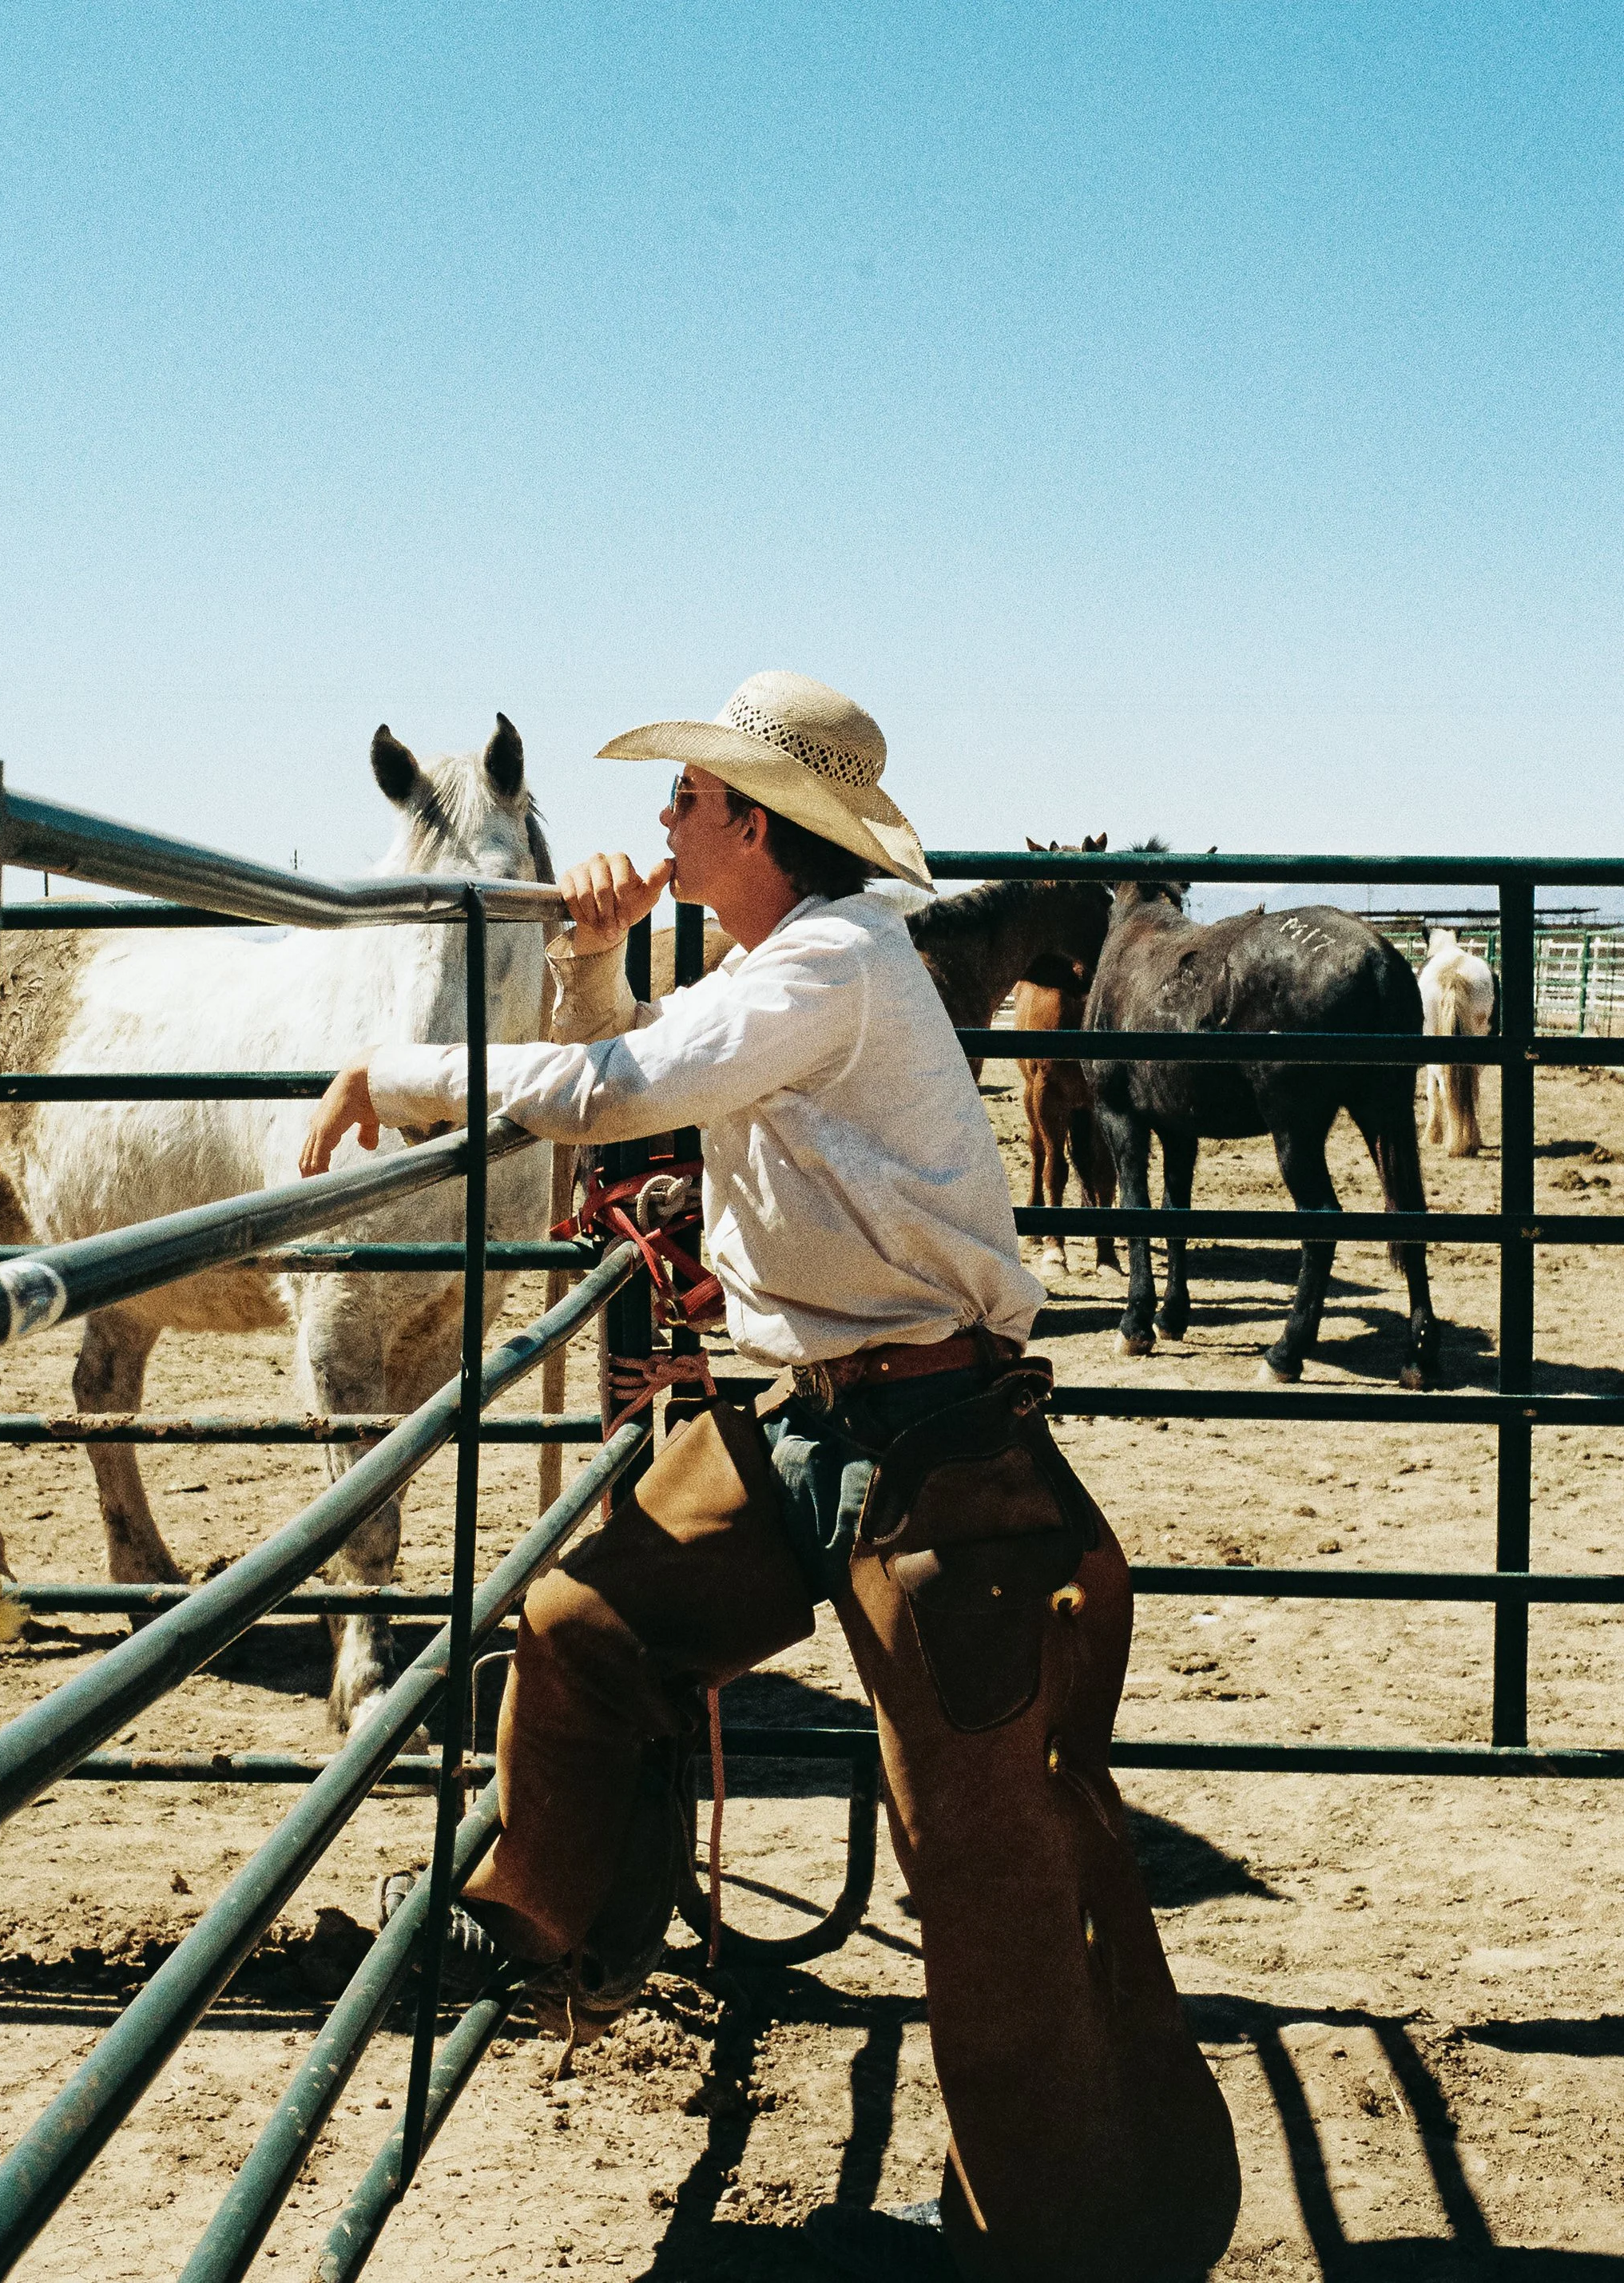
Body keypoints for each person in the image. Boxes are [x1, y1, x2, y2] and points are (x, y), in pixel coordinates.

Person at [302, 672, 1240, 2283]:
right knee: (590, 1623)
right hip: (827, 1429)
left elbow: (614, 1099)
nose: (660, 820)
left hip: (940, 1461)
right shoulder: (780, 966)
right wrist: (590, 954)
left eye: (687, 798)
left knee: (985, 1873)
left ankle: (1076, 2245)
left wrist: (406, 1073)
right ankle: (554, 1930)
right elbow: (627, 1072)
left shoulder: (828, 966)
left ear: (755, 825)